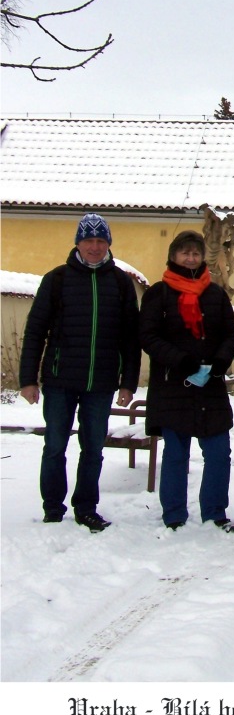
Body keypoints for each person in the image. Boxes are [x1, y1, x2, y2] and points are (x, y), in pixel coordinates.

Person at [18, 213, 140, 531]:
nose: (95, 247)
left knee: (93, 448)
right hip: (60, 380)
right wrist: (28, 379)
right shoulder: (57, 279)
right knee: (56, 444)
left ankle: (86, 507)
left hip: (99, 383)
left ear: (109, 244)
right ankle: (53, 508)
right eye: (89, 240)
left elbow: (131, 337)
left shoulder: (120, 283)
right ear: (78, 243)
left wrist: (128, 382)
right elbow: (35, 332)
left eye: (101, 241)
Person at [140, 231, 234, 531]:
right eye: (184, 252)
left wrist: (220, 361)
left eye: (195, 253)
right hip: (173, 385)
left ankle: (214, 512)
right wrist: (182, 361)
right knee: (175, 454)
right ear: (173, 256)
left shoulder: (215, 293)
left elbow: (230, 333)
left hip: (209, 386)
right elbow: (148, 336)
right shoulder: (158, 294)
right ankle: (173, 515)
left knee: (219, 453)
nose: (191, 258)